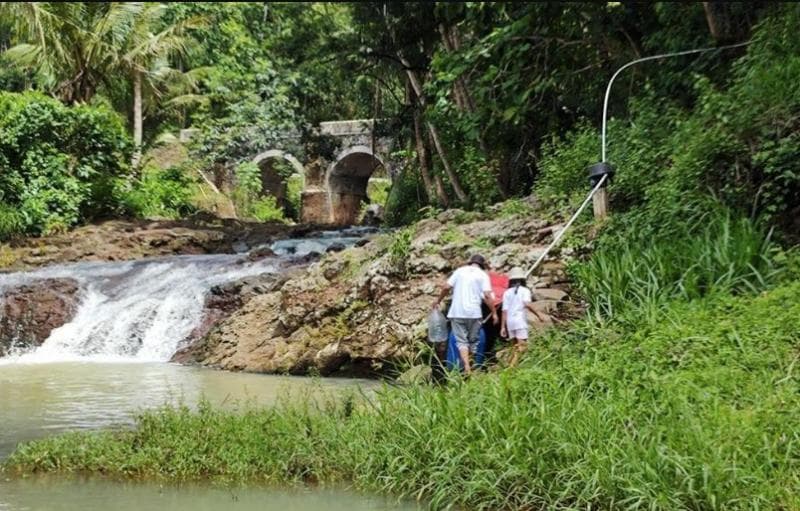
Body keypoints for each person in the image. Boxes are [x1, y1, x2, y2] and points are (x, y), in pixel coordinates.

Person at [433, 254, 498, 375]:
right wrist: (494, 313)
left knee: (461, 341)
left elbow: (446, 287)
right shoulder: (483, 275)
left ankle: (466, 367)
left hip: (457, 312)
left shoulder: (460, 271)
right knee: (474, 341)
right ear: (482, 266)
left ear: (470, 263)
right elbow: (488, 295)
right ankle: (472, 367)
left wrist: (438, 300)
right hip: (474, 314)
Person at [500, 267, 546, 367]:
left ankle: (511, 365)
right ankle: (511, 368)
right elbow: (527, 304)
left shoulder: (507, 292)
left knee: (514, 346)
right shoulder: (525, 290)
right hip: (520, 321)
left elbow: (504, 310)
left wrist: (503, 327)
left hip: (510, 322)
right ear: (522, 279)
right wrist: (539, 314)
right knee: (523, 347)